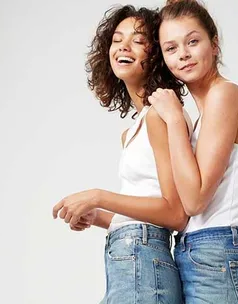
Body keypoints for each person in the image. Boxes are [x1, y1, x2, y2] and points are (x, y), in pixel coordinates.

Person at [52, 5, 193, 304]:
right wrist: (99, 217)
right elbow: (146, 207)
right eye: (117, 39)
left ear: (156, 55)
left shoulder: (160, 117)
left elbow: (175, 213)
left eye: (138, 41)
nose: (123, 47)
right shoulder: (135, 128)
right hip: (129, 258)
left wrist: (98, 196)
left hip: (140, 260)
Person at [147, 0, 238, 303]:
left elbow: (195, 199)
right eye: (171, 48)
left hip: (218, 253)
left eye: (193, 41)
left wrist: (173, 118)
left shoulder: (225, 95)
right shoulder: (205, 112)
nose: (183, 54)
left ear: (214, 44)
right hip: (200, 252)